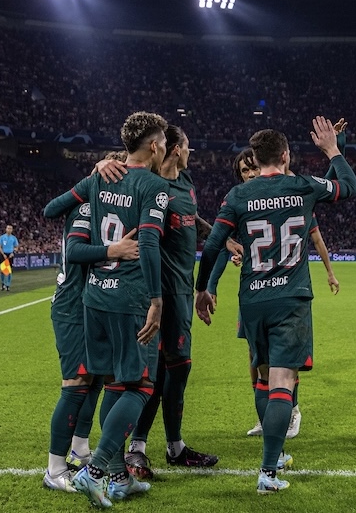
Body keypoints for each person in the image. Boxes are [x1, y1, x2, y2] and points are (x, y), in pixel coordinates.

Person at [194, 116, 356, 495]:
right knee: (284, 383)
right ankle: (269, 471)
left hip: (252, 300)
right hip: (291, 298)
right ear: (285, 155)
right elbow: (348, 185)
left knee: (262, 377)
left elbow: (215, 243)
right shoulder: (302, 186)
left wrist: (202, 289)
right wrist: (333, 149)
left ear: (255, 157)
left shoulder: (238, 195)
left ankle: (277, 456)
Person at [47, 111, 171, 508]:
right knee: (140, 386)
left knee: (113, 385)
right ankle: (96, 468)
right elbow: (148, 244)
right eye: (164, 142)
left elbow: (56, 210)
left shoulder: (101, 179)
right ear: (154, 146)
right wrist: (156, 299)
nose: (166, 148)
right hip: (129, 299)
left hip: (95, 298)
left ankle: (117, 476)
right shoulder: (154, 186)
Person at [124, 125, 220, 480]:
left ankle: (173, 446)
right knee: (152, 372)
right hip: (155, 294)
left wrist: (219, 238)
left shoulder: (187, 182)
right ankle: (137, 448)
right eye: (188, 146)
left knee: (175, 369)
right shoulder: (147, 183)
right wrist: (103, 164)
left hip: (181, 290)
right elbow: (123, 164)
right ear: (176, 149)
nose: (190, 152)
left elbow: (192, 220)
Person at [40, 201, 140, 493]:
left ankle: (81, 449)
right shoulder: (86, 208)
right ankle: (55, 470)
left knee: (94, 378)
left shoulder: (101, 206)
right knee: (75, 385)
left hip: (92, 304)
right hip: (72, 307)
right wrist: (114, 251)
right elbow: (74, 252)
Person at [0, 224, 18, 291]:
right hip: (3, 254)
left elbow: (16, 247)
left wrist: (13, 253)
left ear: (12, 230)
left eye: (10, 228)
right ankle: (3, 284)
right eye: (8, 228)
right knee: (2, 270)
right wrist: (3, 254)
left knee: (9, 271)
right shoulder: (2, 237)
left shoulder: (13, 238)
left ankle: (8, 285)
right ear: (6, 229)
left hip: (10, 255)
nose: (9, 230)